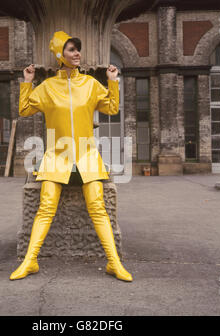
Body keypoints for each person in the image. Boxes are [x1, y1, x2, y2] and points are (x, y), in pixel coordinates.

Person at [10, 31, 133, 282]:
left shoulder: (89, 84)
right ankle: (30, 261)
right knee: (45, 206)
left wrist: (113, 82)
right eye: (71, 49)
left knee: (98, 206)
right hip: (56, 155)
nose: (77, 53)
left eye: (78, 49)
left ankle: (114, 263)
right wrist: (27, 82)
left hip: (87, 155)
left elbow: (110, 107)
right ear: (59, 55)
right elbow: (24, 110)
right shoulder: (47, 88)